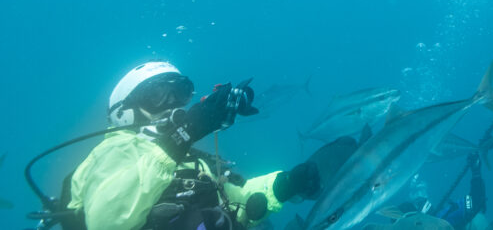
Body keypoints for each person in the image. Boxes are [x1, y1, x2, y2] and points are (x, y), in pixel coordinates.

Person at [65, 61, 320, 230]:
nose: (172, 104)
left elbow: (236, 205)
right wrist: (181, 138)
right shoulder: (115, 149)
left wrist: (284, 185)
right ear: (125, 109)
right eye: (157, 96)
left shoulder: (188, 160)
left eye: (180, 93)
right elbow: (105, 220)